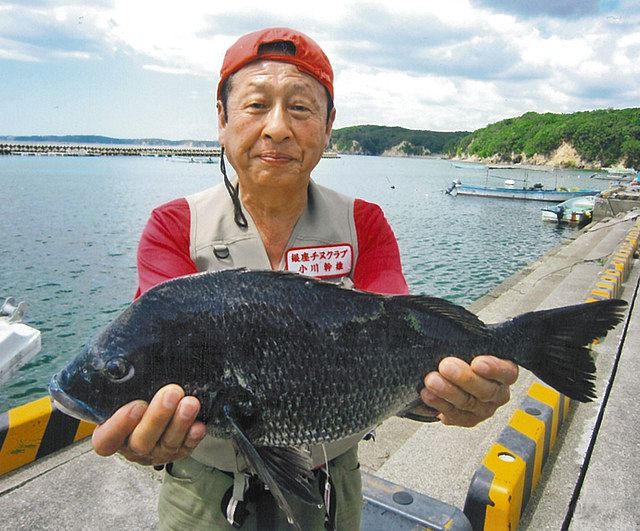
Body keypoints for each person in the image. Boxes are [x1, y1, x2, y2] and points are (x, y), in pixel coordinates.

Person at [92, 27, 518, 530]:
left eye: (300, 108)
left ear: (328, 125)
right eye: (255, 106)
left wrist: (453, 392)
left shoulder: (365, 222)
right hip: (202, 492)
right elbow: (153, 349)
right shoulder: (173, 226)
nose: (277, 128)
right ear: (222, 120)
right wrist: (144, 431)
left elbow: (400, 331)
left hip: (332, 483)